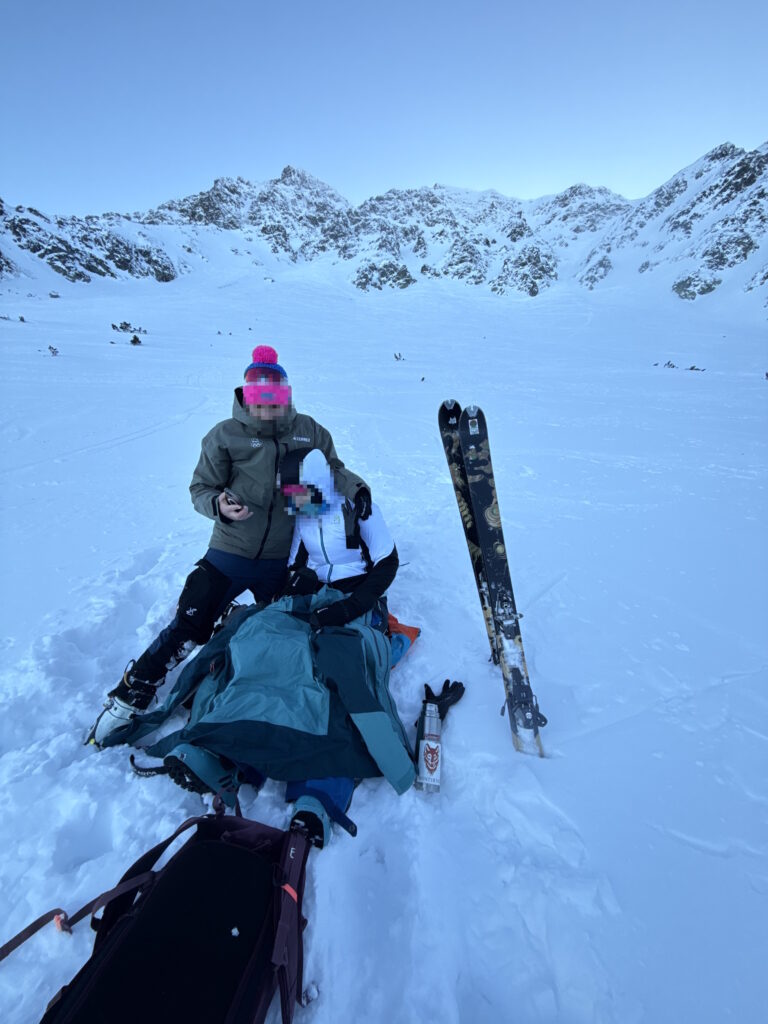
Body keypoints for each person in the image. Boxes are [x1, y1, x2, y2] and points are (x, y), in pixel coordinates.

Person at [89, 346, 370, 746]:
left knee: (281, 635)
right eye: (258, 394)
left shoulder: (309, 430)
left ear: (286, 394)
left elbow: (333, 472)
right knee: (189, 625)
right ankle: (131, 694)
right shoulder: (225, 435)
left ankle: (242, 682)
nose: (267, 403)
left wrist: (356, 490)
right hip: (229, 552)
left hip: (284, 558)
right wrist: (218, 504)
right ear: (246, 395)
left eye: (275, 392)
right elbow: (200, 488)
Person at [279, 446, 399, 628]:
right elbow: (297, 561)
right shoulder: (302, 515)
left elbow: (387, 562)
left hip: (356, 590)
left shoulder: (357, 507)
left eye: (301, 492)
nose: (297, 501)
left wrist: (350, 607)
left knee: (338, 644)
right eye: (291, 494)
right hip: (319, 591)